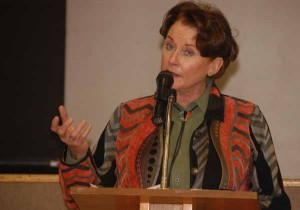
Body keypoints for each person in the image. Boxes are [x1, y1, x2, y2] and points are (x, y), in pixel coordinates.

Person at [51, 1, 291, 210]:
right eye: (169, 46)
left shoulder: (246, 119)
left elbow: (274, 202)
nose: (172, 59)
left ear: (214, 66)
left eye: (188, 52)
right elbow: (85, 200)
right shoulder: (128, 116)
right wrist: (78, 154)